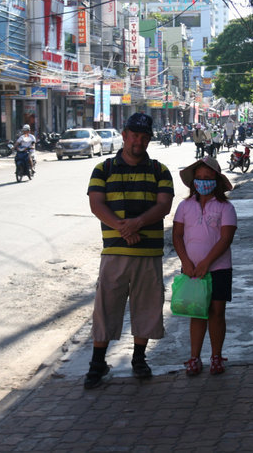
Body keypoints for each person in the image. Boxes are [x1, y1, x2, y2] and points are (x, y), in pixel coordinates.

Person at [84, 112, 174, 389]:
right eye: (134, 135)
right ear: (124, 136)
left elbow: (164, 206)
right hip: (114, 252)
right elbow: (97, 205)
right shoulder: (103, 169)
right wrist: (124, 228)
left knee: (146, 307)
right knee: (106, 308)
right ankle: (97, 364)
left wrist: (136, 224)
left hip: (148, 253)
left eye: (144, 137)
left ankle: (139, 359)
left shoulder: (160, 171)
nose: (139, 141)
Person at [172, 156, 237, 376]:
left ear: (216, 180)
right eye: (199, 178)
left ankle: (216, 357)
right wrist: (186, 262)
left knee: (217, 313)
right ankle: (194, 357)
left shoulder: (226, 207)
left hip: (219, 269)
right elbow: (177, 236)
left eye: (208, 178)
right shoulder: (184, 206)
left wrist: (207, 263)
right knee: (197, 313)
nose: (202, 181)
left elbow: (226, 238)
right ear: (193, 182)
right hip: (191, 269)